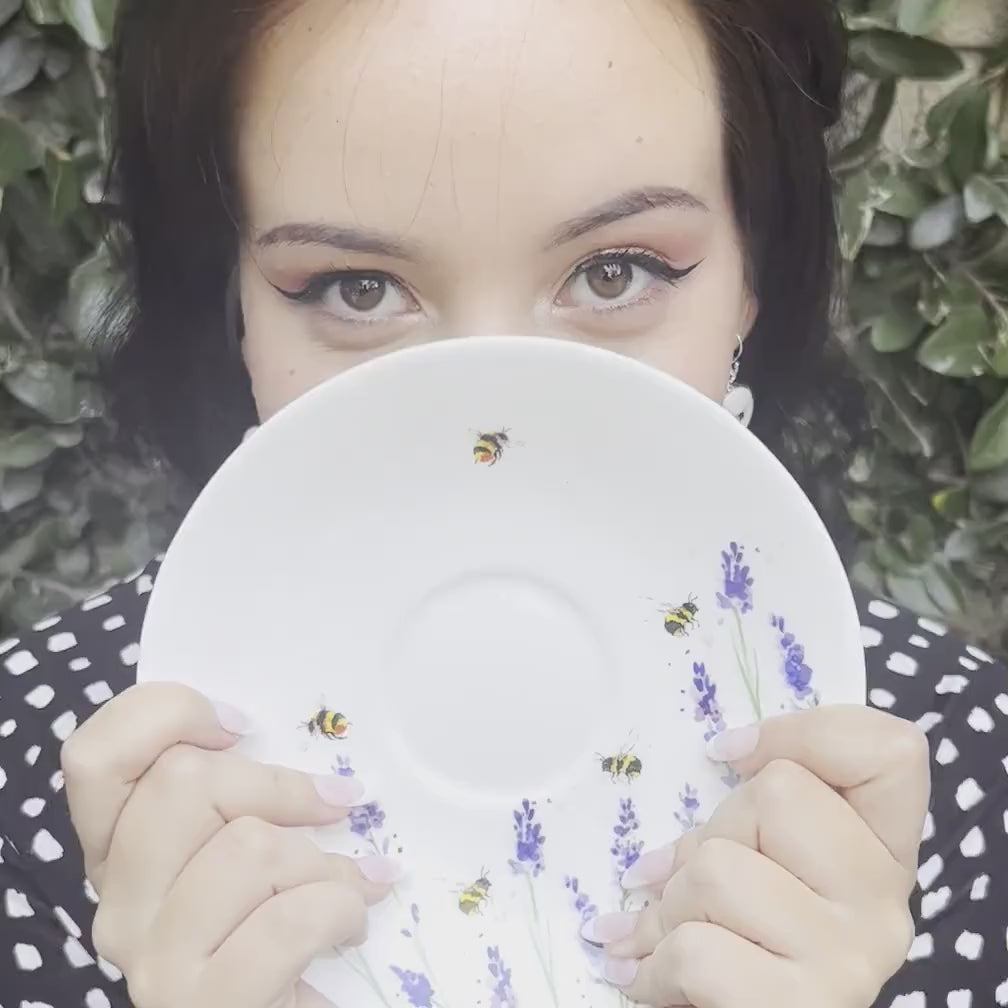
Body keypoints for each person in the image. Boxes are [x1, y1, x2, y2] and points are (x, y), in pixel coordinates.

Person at [0, 0, 1005, 1005]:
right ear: (236, 315)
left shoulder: (965, 774)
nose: (492, 408)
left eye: (617, 271)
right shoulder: (35, 778)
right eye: (355, 289)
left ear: (754, 279)